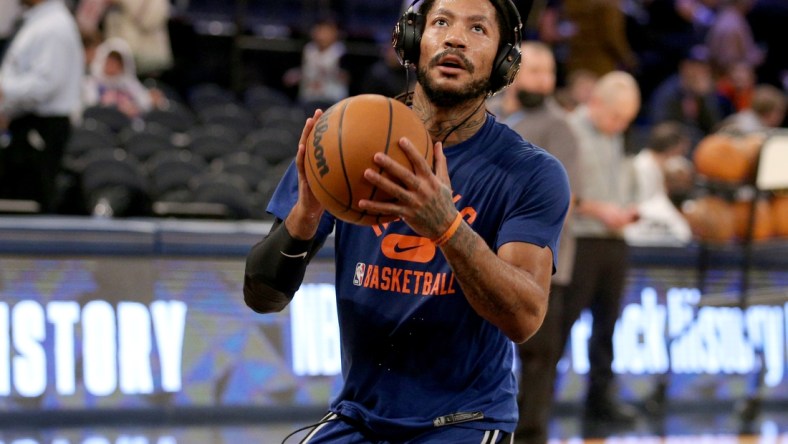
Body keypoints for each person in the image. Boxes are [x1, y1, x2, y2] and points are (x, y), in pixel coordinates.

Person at [244, 0, 571, 442]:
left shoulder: (531, 172)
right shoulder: (348, 136)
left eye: (478, 28)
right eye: (441, 22)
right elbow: (262, 297)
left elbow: (525, 318)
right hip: (358, 416)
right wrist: (304, 216)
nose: (455, 37)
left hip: (465, 423)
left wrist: (448, 229)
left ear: (504, 61)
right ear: (412, 40)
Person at [502, 41, 581, 444]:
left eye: (550, 73)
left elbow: (564, 201)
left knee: (537, 358)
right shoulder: (488, 112)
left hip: (542, 265)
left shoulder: (558, 126)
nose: (545, 82)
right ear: (512, 69)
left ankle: (530, 435)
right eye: (536, 72)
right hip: (484, 257)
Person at [561, 70, 641, 424]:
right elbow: (557, 192)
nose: (620, 125)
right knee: (563, 322)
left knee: (608, 325)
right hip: (580, 239)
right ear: (595, 102)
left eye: (627, 120)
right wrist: (598, 209)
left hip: (614, 239)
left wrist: (629, 209)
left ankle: (600, 399)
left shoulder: (616, 137)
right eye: (616, 117)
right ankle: (538, 397)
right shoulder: (568, 131)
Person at [0, 0, 84, 212]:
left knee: (31, 204)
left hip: (44, 126)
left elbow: (46, 84)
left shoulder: (54, 25)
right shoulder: (37, 21)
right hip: (26, 123)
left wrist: (4, 92)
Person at [623, 121, 693, 246]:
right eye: (681, 151)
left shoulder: (671, 168)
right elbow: (641, 204)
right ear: (673, 149)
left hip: (662, 220)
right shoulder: (640, 167)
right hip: (644, 227)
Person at [283, 17, 350, 110]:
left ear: (335, 33)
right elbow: (304, 71)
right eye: (320, 30)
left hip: (332, 98)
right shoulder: (309, 50)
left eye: (327, 31)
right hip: (309, 97)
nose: (322, 35)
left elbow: (346, 77)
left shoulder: (340, 52)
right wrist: (296, 75)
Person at [82, 37, 157, 118]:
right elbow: (90, 105)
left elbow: (145, 103)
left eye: (117, 63)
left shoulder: (128, 83)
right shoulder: (91, 83)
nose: (112, 66)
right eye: (109, 62)